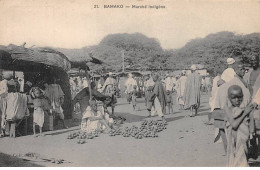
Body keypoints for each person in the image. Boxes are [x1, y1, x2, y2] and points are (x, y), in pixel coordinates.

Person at [225, 85, 255, 167]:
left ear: (243, 96)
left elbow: (250, 125)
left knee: (243, 160)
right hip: (235, 141)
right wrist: (245, 113)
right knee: (237, 162)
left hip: (243, 141)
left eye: (239, 97)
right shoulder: (228, 109)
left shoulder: (242, 109)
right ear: (228, 98)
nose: (237, 100)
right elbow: (234, 125)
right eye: (234, 98)